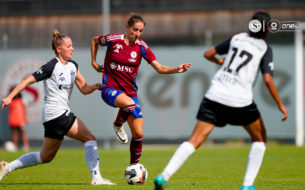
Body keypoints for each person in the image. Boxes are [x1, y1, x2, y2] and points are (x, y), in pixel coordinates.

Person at [154, 11, 288, 190]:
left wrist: (219, 62)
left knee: (195, 139)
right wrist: (280, 104)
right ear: (267, 29)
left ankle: (164, 176)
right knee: (260, 138)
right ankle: (247, 186)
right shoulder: (264, 48)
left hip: (215, 94)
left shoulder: (237, 38)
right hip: (240, 100)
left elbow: (208, 53)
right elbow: (268, 79)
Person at [0, 30, 114, 185]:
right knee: (89, 138)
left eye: (72, 45)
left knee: (45, 157)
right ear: (59, 49)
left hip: (54, 117)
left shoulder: (73, 66)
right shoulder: (51, 66)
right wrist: (10, 97)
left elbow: (84, 89)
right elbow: (27, 80)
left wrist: (95, 87)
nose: (72, 48)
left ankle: (7, 167)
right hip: (56, 113)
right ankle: (96, 178)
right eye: (69, 46)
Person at [91, 13, 191, 165]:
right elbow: (95, 40)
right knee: (129, 105)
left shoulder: (141, 46)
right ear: (127, 27)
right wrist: (93, 62)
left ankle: (134, 167)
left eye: (140, 31)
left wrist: (177, 69)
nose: (137, 34)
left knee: (138, 133)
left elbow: (159, 68)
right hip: (109, 89)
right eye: (135, 30)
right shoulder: (113, 40)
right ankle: (118, 124)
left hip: (130, 93)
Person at [8, 86, 30, 151]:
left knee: (22, 132)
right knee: (14, 133)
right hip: (13, 119)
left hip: (21, 119)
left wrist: (25, 118)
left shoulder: (22, 99)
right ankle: (15, 146)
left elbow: (24, 109)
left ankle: (26, 146)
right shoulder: (9, 100)